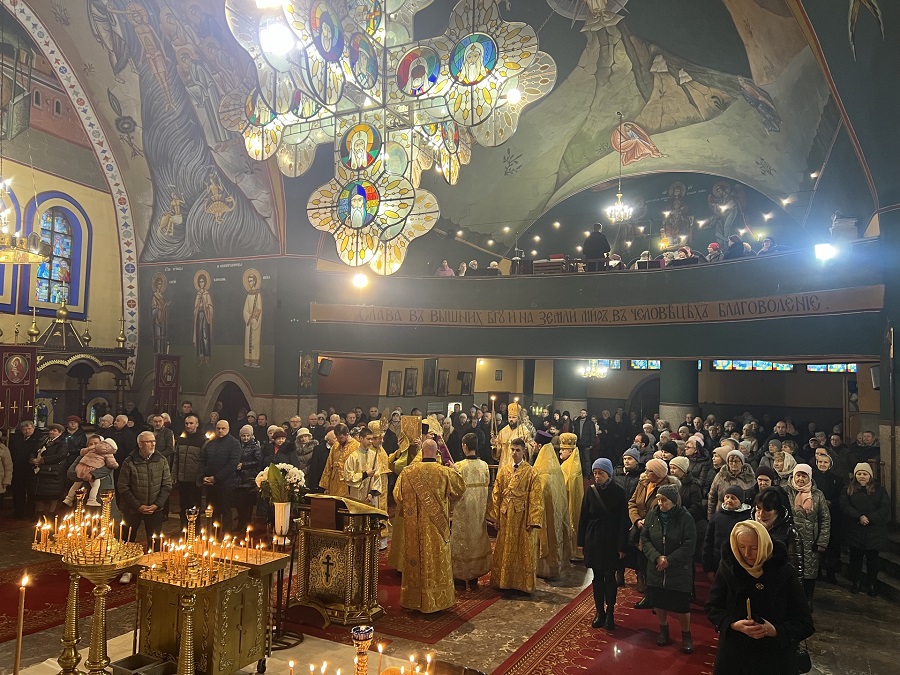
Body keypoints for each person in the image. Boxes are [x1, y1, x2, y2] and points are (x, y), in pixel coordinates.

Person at [705, 520, 814, 675]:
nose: (747, 554)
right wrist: (734, 624)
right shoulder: (728, 568)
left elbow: (805, 623)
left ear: (764, 544)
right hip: (735, 657)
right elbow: (713, 607)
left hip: (774, 659)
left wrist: (775, 630)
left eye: (754, 548)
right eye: (741, 547)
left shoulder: (784, 572)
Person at [393, 439, 465, 612]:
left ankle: (414, 600)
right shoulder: (444, 472)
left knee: (416, 558)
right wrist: (455, 471)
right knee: (436, 561)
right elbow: (460, 489)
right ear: (437, 452)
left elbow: (397, 496)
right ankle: (438, 601)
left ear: (422, 452)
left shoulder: (407, 472)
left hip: (414, 528)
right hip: (436, 528)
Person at [640, 483, 697, 653]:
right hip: (656, 567)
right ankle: (663, 629)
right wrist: (657, 557)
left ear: (673, 501)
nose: (660, 503)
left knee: (681, 605)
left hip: (678, 569)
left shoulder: (685, 518)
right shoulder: (652, 515)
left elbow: (689, 545)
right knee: (659, 601)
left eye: (664, 500)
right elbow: (645, 538)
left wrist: (669, 560)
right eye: (658, 500)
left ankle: (686, 634)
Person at [578, 458, 629, 630]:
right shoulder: (591, 491)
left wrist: (621, 546)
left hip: (611, 539)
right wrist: (581, 542)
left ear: (609, 474)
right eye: (595, 473)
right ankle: (599, 611)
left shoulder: (619, 492)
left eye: (601, 473)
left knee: (610, 576)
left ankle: (610, 611)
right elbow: (584, 517)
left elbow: (623, 521)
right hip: (594, 538)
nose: (597, 476)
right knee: (597, 576)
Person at [489, 438, 543, 593]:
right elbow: (496, 494)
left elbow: (535, 497)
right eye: (512, 449)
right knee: (504, 547)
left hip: (522, 517)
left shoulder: (531, 472)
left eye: (517, 450)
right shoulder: (503, 470)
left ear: (524, 451)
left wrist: (532, 519)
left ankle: (521, 584)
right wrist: (496, 516)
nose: (514, 453)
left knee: (522, 549)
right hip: (505, 515)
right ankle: (503, 581)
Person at [117, 431, 173, 583]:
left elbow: (167, 485)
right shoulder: (130, 461)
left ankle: (153, 567)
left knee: (154, 539)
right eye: (149, 441)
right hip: (133, 507)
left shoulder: (161, 460)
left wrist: (157, 504)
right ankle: (127, 569)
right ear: (140, 444)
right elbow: (123, 486)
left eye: (153, 441)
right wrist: (138, 506)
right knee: (128, 539)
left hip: (155, 507)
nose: (153, 444)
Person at [629, 458, 679, 601]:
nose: (645, 473)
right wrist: (637, 520)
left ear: (658, 473)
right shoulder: (643, 483)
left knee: (653, 562)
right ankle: (646, 589)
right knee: (641, 560)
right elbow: (632, 503)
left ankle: (655, 595)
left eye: (649, 471)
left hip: (658, 531)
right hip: (640, 527)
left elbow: (670, 510)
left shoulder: (669, 488)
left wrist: (649, 522)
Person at [840, 463, 889, 595]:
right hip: (855, 529)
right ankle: (856, 582)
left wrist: (870, 518)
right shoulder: (848, 489)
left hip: (873, 530)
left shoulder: (879, 490)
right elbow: (844, 505)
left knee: (873, 561)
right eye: (859, 474)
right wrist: (859, 516)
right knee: (855, 559)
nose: (862, 476)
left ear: (870, 475)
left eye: (865, 474)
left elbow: (884, 507)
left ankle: (872, 584)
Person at [451, 433, 492, 588]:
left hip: (462, 513)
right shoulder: (484, 466)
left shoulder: (459, 466)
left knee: (462, 542)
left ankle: (460, 579)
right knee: (476, 541)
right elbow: (487, 486)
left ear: (464, 446)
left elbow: (454, 491)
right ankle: (474, 578)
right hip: (479, 512)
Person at [786, 464, 830, 602]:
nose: (800, 479)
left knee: (809, 572)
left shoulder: (817, 495)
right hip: (790, 539)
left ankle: (807, 600)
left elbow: (825, 518)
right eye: (798, 475)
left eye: (804, 476)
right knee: (790, 571)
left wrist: (822, 541)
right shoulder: (786, 492)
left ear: (809, 477)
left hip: (810, 540)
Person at [533, 440, 573, 579]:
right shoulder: (558, 473)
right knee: (556, 537)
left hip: (545, 515)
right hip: (557, 514)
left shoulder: (540, 476)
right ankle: (557, 567)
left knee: (546, 537)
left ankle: (543, 570)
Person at [198, 420, 241, 533]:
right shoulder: (210, 443)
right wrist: (203, 476)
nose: (220, 431)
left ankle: (227, 535)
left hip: (226, 483)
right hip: (210, 484)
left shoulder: (234, 443)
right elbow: (203, 460)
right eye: (218, 428)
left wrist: (216, 478)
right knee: (213, 510)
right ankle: (214, 534)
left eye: (223, 428)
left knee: (226, 511)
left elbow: (232, 464)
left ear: (228, 429)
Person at [703, 485, 752, 578]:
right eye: (727, 497)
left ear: (741, 501)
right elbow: (708, 542)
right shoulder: (717, 516)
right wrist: (708, 567)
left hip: (738, 564)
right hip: (718, 561)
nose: (729, 500)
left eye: (733, 498)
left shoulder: (747, 518)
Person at [753, 487, 803, 578]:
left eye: (767, 510)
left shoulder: (789, 532)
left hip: (779, 580)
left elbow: (795, 567)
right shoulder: (749, 527)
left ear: (777, 511)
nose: (761, 514)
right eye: (758, 509)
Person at [173, 413, 206, 529]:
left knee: (194, 507)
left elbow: (203, 461)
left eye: (191, 423)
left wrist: (200, 477)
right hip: (182, 479)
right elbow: (176, 459)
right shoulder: (181, 439)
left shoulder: (202, 440)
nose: (188, 426)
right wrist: (174, 474)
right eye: (186, 423)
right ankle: (184, 529)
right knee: (183, 506)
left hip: (195, 480)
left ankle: (194, 531)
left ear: (197, 424)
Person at [30, 423, 69, 520]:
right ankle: (40, 515)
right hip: (40, 472)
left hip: (53, 472)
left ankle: (51, 516)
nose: (51, 432)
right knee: (39, 495)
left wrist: (43, 460)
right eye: (51, 430)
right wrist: (32, 459)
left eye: (54, 431)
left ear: (60, 433)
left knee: (52, 496)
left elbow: (60, 455)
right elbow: (34, 451)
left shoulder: (62, 443)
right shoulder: (43, 441)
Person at [63, 438, 118, 507]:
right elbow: (70, 472)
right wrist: (81, 476)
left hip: (102, 491)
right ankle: (91, 499)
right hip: (84, 490)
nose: (93, 446)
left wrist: (91, 475)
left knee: (76, 485)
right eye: (90, 444)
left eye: (96, 443)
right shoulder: (85, 455)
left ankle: (69, 498)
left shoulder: (103, 455)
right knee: (93, 486)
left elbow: (107, 469)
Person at [707, 450, 756, 521]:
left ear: (742, 463)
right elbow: (712, 497)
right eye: (731, 461)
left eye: (736, 461)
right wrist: (711, 518)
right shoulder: (721, 476)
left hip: (742, 517)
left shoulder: (749, 478)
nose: (733, 464)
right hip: (721, 515)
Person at [10, 421, 43, 519]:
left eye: (29, 429)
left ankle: (30, 513)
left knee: (31, 493)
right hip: (18, 469)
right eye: (24, 429)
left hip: (31, 469)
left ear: (33, 429)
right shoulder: (17, 438)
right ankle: (18, 512)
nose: (27, 431)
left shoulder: (39, 439)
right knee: (18, 491)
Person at [558, 433, 584, 562]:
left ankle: (572, 550)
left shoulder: (571, 469)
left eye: (563, 449)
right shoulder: (568, 465)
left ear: (571, 451)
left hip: (569, 503)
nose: (560, 452)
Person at [344, 427, 383, 504]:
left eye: (372, 439)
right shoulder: (353, 456)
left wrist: (372, 493)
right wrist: (365, 474)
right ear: (361, 439)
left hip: (371, 495)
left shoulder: (373, 455)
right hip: (357, 494)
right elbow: (348, 476)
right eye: (368, 439)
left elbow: (377, 475)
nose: (370, 441)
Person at [235, 425, 262, 533]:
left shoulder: (255, 447)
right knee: (239, 503)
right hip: (238, 479)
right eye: (243, 436)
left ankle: (247, 523)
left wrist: (244, 465)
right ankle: (240, 522)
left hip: (249, 478)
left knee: (248, 504)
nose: (245, 438)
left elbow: (258, 462)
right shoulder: (237, 445)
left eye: (247, 436)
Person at [491, 401, 534, 470]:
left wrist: (524, 445)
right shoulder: (503, 431)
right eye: (509, 417)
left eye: (514, 417)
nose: (511, 419)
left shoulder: (524, 431)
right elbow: (498, 453)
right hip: (504, 466)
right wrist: (495, 445)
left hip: (518, 467)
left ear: (518, 418)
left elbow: (531, 448)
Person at [320, 423, 358, 497]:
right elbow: (329, 464)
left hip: (348, 483)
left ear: (347, 434)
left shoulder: (356, 446)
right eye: (337, 437)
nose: (338, 440)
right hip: (334, 482)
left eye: (341, 438)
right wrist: (326, 486)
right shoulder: (336, 445)